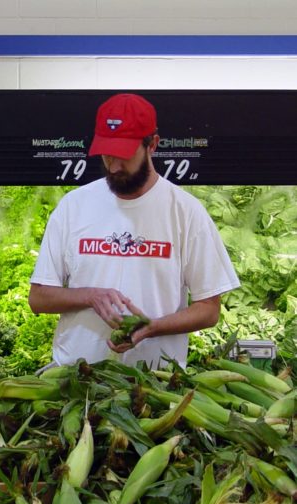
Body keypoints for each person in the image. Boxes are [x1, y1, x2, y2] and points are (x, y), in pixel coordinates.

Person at [28, 93, 240, 369]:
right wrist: (90, 295)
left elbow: (209, 309)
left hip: (155, 384)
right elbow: (39, 298)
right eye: (107, 155)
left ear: (152, 144)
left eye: (124, 156)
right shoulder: (73, 206)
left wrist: (152, 327)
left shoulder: (185, 211)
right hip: (77, 380)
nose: (114, 166)